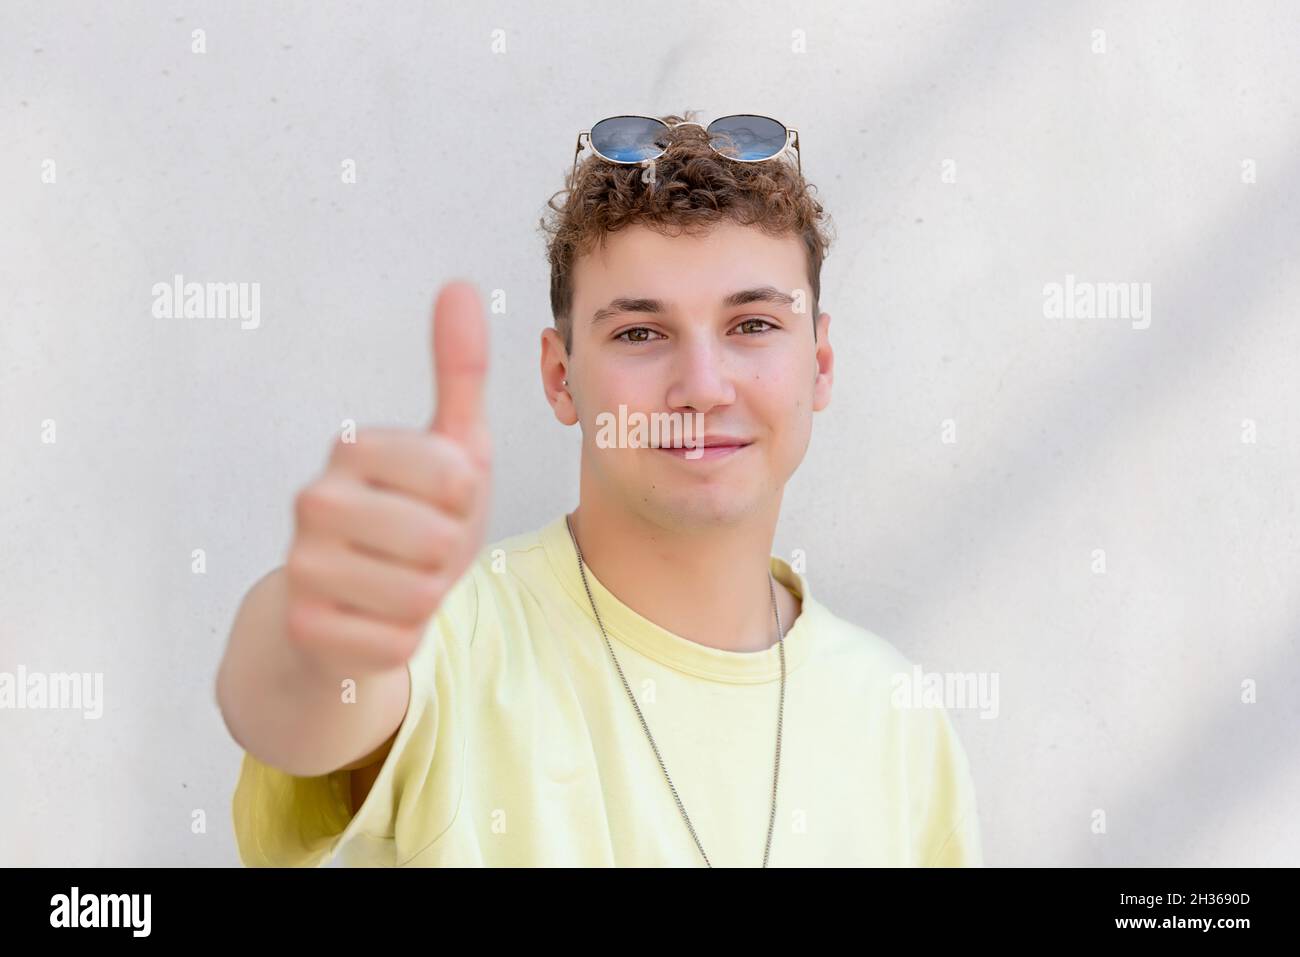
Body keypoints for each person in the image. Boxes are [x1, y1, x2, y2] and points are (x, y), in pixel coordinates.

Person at [215, 111, 983, 867]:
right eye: (640, 333)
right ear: (561, 378)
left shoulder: (896, 713)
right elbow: (293, 705)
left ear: (819, 364)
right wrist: (323, 621)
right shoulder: (451, 639)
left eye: (751, 325)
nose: (703, 388)